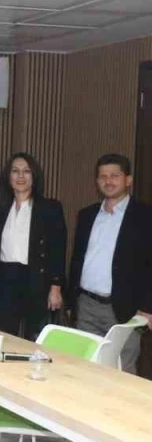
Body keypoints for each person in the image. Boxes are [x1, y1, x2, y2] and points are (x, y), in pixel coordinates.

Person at [69, 153, 152, 373]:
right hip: (86, 306)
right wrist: (71, 301)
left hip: (125, 309)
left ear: (128, 180)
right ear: (97, 181)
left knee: (121, 370)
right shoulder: (87, 215)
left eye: (115, 175)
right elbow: (77, 260)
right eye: (103, 176)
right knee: (86, 367)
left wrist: (147, 308)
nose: (108, 181)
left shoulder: (145, 217)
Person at [0, 153, 66, 343]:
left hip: (36, 279)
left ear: (34, 176)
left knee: (35, 341)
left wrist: (55, 287)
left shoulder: (50, 208)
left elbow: (58, 250)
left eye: (26, 171)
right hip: (4, 281)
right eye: (15, 171)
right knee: (3, 338)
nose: (20, 176)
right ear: (8, 177)